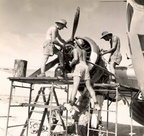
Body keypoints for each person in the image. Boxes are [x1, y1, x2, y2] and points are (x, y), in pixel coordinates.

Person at [69, 38, 100, 110]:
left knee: (75, 87)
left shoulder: (75, 50)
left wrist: (71, 63)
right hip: (86, 66)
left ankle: (71, 103)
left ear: (76, 44)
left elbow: (76, 59)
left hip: (79, 66)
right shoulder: (84, 51)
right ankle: (96, 104)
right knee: (89, 87)